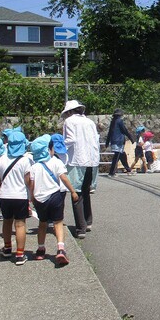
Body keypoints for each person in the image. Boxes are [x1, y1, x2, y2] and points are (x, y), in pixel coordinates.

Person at [27, 134, 79, 266]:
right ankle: (61, 249)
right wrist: (72, 191)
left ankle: (40, 249)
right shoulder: (56, 162)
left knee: (42, 224)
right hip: (55, 196)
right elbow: (64, 178)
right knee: (58, 223)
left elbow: (31, 185)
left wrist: (31, 197)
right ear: (49, 149)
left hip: (39, 199)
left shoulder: (34, 167)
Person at [0, 130, 33, 265]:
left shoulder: (1, 159)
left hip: (4, 197)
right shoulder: (25, 160)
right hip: (20, 196)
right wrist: (32, 196)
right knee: (20, 224)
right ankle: (20, 255)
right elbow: (28, 181)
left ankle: (7, 248)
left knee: (7, 222)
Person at [61, 99, 100, 239]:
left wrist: (60, 147)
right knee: (86, 191)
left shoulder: (69, 122)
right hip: (92, 160)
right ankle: (88, 222)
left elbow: (70, 140)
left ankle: (80, 228)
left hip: (77, 160)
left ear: (70, 111)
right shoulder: (90, 122)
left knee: (76, 193)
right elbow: (96, 140)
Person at [105, 108, 134, 176]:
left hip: (114, 141)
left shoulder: (113, 121)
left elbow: (110, 132)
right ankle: (111, 172)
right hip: (119, 141)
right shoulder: (119, 121)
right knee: (117, 157)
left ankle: (128, 170)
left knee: (122, 156)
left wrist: (107, 141)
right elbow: (124, 130)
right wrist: (131, 138)